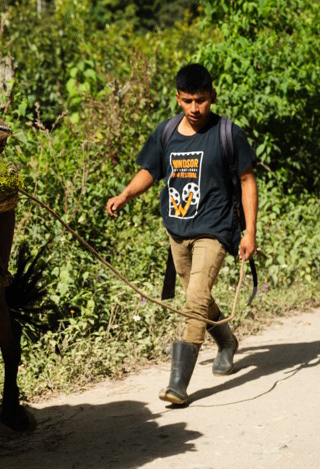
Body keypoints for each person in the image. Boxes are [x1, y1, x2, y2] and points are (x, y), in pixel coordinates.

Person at [106, 63, 258, 405]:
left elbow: (248, 180)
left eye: (201, 100)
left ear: (212, 97)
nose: (195, 108)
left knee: (195, 299)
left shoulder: (228, 133)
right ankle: (227, 341)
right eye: (188, 101)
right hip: (177, 229)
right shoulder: (166, 132)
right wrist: (125, 195)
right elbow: (150, 170)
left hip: (215, 230)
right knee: (196, 294)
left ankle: (178, 384)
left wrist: (249, 232)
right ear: (178, 98)